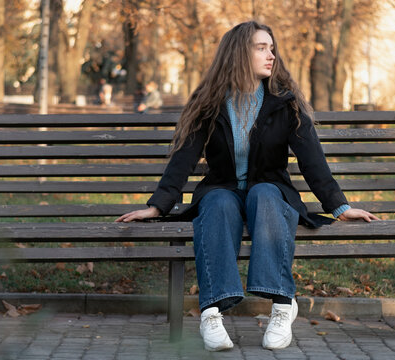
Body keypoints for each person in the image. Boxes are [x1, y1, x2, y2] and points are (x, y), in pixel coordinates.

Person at [116, 21, 378, 351]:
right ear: (240, 52)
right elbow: (183, 159)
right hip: (222, 188)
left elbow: (312, 160)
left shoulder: (285, 102)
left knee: (264, 192)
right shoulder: (209, 102)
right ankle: (211, 312)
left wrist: (340, 206)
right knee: (217, 203)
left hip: (270, 190)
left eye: (271, 48)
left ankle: (282, 305)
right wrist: (157, 206)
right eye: (261, 48)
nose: (271, 55)